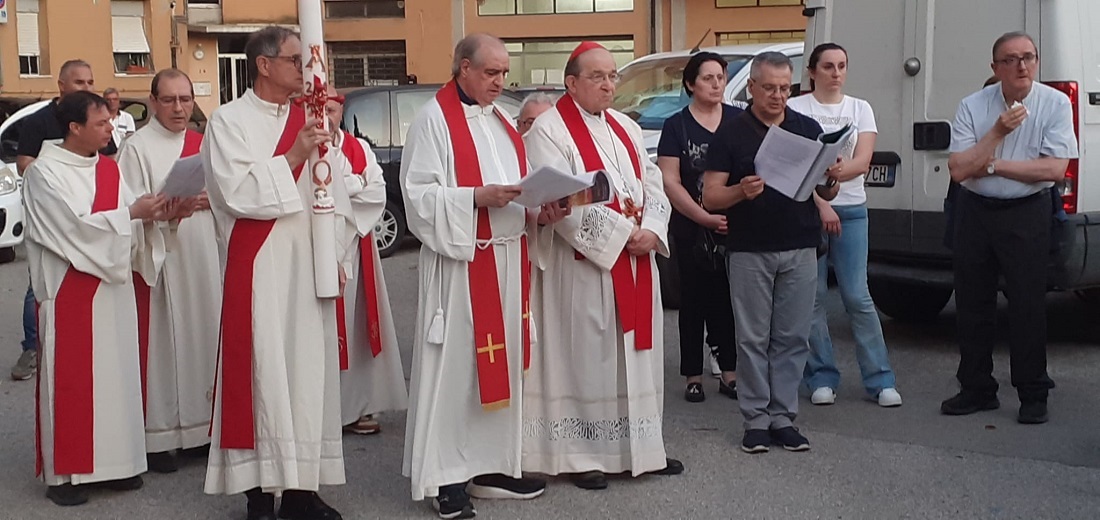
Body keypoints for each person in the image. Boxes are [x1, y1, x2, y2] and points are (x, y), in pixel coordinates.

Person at [201, 26, 358, 520]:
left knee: (307, 373)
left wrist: (336, 254)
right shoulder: (228, 122)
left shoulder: (310, 119)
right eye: (295, 60)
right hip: (261, 264)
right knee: (262, 371)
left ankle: (300, 491)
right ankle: (256, 490)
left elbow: (334, 192)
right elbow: (235, 193)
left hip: (308, 260)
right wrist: (293, 155)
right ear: (264, 65)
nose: (305, 70)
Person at [401, 33, 556, 519]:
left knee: (501, 368)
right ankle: (447, 478)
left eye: (504, 73)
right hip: (462, 265)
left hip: (507, 260)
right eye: (491, 72)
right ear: (463, 68)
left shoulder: (502, 121)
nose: (499, 81)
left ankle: (490, 466)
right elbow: (417, 196)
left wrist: (541, 209)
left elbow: (520, 188)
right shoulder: (433, 120)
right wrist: (474, 198)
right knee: (457, 372)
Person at [523, 41, 682, 491]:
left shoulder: (626, 127)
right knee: (587, 358)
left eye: (613, 75)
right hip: (585, 267)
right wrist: (623, 235)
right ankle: (583, 454)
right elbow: (558, 196)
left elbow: (653, 182)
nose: (609, 85)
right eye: (598, 77)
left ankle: (640, 448)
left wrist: (652, 228)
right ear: (571, 83)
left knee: (636, 356)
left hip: (636, 260)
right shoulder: (548, 131)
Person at [26, 91, 188, 506]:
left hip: (114, 290)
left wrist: (164, 214)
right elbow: (70, 230)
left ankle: (117, 465)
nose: (110, 129)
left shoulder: (110, 169)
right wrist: (132, 215)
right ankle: (68, 476)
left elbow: (134, 219)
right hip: (71, 290)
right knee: (74, 382)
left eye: (110, 121)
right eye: (100, 123)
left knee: (117, 377)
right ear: (74, 127)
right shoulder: (44, 174)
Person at [702, 52, 840, 454]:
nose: (778, 96)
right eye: (769, 88)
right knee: (752, 339)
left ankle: (783, 417)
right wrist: (740, 191)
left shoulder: (807, 128)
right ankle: (756, 420)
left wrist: (831, 178)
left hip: (800, 244)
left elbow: (825, 191)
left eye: (784, 88)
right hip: (750, 248)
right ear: (751, 88)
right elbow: (711, 197)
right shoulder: (731, 132)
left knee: (793, 336)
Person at [942, 31, 1077, 425]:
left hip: (1027, 211)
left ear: (1036, 61)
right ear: (995, 67)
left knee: (1027, 304)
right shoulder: (973, 105)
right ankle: (977, 388)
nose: (1021, 66)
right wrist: (998, 132)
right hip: (975, 211)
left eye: (1028, 57)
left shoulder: (1054, 103)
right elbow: (958, 169)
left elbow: (1054, 169)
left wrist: (992, 164)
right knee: (972, 302)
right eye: (1011, 59)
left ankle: (1033, 392)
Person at [115, 69, 219, 474]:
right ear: (153, 102)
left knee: (201, 335)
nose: (179, 108)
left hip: (202, 252)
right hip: (158, 258)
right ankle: (157, 438)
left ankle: (199, 432)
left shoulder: (203, 143)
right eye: (170, 100)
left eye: (185, 99)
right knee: (160, 345)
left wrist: (211, 201)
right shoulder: (136, 148)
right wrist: (165, 209)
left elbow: (227, 194)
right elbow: (127, 207)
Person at [787, 43, 902, 408]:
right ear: (812, 72)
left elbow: (863, 161)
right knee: (813, 297)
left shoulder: (859, 108)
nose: (836, 73)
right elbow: (795, 166)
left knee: (857, 295)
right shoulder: (796, 108)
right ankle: (821, 376)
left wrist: (833, 171)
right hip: (808, 211)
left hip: (852, 209)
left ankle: (880, 379)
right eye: (828, 66)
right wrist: (822, 202)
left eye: (841, 66)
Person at [10, 59, 117, 382]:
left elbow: (109, 160)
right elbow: (25, 162)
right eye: (79, 82)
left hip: (95, 206)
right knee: (38, 285)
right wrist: (61, 180)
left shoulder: (97, 119)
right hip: (53, 208)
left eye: (90, 81)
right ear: (61, 85)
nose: (87, 87)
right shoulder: (38, 121)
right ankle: (32, 346)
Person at [324, 85, 408, 437]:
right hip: (317, 249)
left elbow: (376, 193)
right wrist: (353, 185)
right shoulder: (304, 151)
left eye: (331, 110)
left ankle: (359, 405)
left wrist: (343, 190)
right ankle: (325, 410)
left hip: (356, 247)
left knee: (357, 326)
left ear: (341, 112)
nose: (326, 117)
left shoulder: (359, 148)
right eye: (319, 110)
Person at [656, 51, 740, 404]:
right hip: (691, 226)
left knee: (728, 302)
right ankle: (693, 375)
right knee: (692, 302)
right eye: (708, 78)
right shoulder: (676, 126)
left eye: (720, 77)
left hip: (734, 225)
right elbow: (670, 181)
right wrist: (702, 216)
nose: (716, 84)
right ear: (690, 84)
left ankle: (730, 372)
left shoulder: (738, 120)